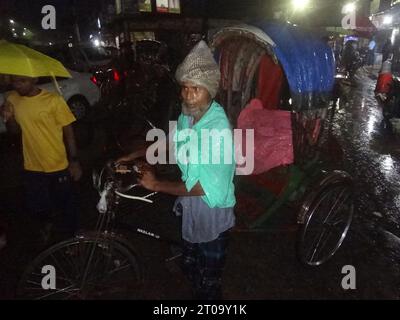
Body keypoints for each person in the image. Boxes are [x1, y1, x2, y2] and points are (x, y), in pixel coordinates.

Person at [117, 40, 236, 300]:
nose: (188, 95)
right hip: (191, 204)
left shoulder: (217, 131)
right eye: (184, 88)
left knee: (209, 279)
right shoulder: (188, 115)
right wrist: (136, 153)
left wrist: (156, 184)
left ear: (210, 91)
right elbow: (172, 143)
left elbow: (204, 187)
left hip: (211, 210)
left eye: (197, 89)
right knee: (191, 262)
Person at [0, 75, 82, 242]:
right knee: (36, 205)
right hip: (32, 165)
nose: (18, 85)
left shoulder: (53, 100)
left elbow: (69, 131)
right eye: (15, 81)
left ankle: (74, 239)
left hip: (57, 163)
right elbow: (14, 132)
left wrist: (74, 160)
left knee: (67, 205)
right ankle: (48, 225)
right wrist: (9, 118)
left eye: (22, 81)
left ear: (35, 80)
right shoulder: (12, 99)